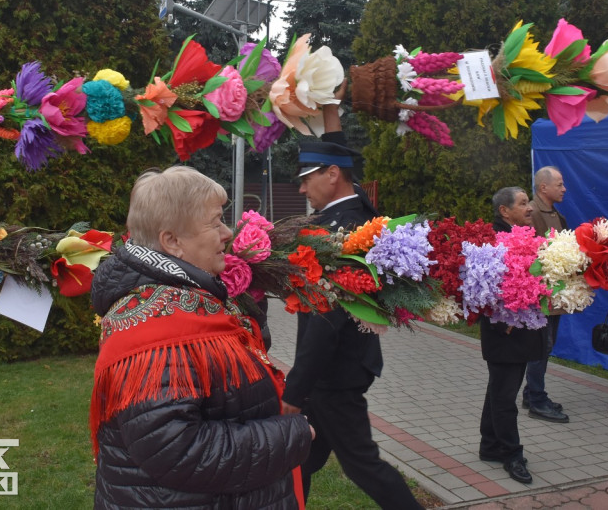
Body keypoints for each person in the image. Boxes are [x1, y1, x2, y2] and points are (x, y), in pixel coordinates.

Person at [89, 167, 314, 509]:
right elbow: (178, 450)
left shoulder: (184, 297)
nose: (227, 232)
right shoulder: (158, 333)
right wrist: (293, 436)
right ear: (172, 242)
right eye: (215, 222)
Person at [282, 104, 422, 510]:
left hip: (331, 372)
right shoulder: (355, 209)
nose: (302, 190)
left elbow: (325, 318)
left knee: (362, 465)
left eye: (306, 180)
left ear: (331, 176)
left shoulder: (336, 233)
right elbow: (339, 159)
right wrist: (330, 111)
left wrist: (296, 389)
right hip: (335, 369)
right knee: (299, 461)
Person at [478, 187, 546, 485]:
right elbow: (479, 284)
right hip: (504, 331)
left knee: (500, 389)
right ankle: (512, 454)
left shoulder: (525, 234)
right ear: (504, 211)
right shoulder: (491, 239)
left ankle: (490, 445)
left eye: (527, 202)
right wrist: (499, 321)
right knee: (506, 396)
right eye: (522, 203)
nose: (529, 207)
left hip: (521, 330)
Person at [523, 166, 570, 424]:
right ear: (544, 188)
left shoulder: (556, 214)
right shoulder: (533, 213)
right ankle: (537, 400)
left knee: (547, 344)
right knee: (542, 345)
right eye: (560, 184)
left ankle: (532, 393)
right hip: (540, 292)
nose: (564, 189)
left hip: (555, 290)